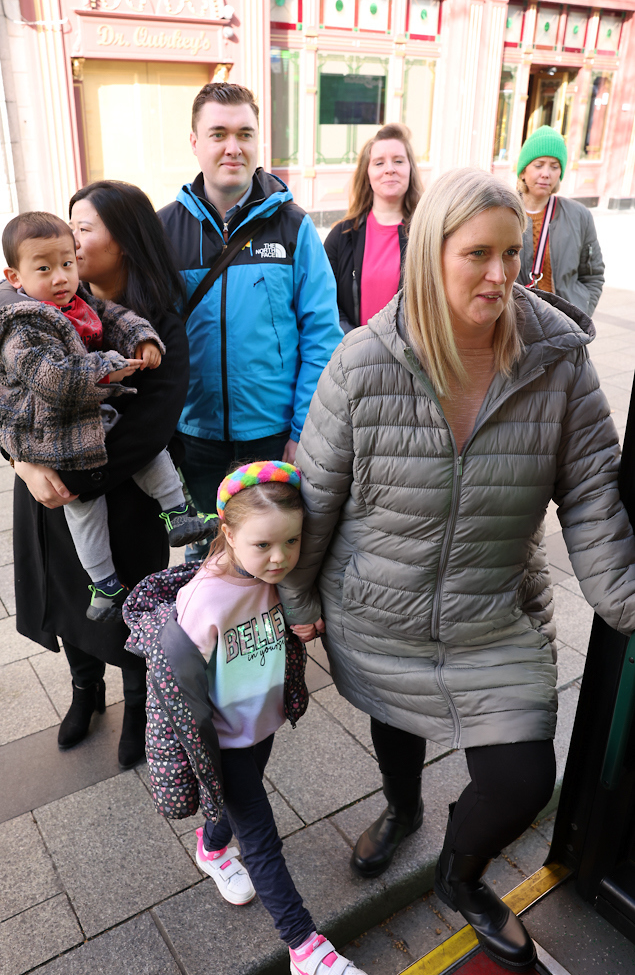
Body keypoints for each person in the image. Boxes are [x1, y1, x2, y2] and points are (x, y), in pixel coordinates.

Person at [278, 167, 635, 971]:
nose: (500, 275)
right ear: (430, 255)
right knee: (395, 725)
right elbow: (318, 495)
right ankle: (401, 809)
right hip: (379, 606)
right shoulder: (364, 361)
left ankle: (459, 875)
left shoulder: (558, 362)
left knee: (520, 776)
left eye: (511, 253)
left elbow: (590, 498)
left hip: (492, 612)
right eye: (477, 254)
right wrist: (298, 598)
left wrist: (626, 603)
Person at [0, 181, 190, 769]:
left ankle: (139, 704)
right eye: (71, 228)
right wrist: (22, 463)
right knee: (69, 601)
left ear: (126, 239)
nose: (74, 244)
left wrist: (70, 477)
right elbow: (9, 399)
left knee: (130, 603)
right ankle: (84, 691)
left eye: (84, 231)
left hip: (111, 489)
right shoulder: (36, 308)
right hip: (48, 485)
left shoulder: (155, 318)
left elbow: (152, 426)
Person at [123, 461, 369, 975]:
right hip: (223, 742)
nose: (280, 559)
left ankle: (212, 847)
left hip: (261, 726)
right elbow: (172, 696)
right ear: (229, 535)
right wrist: (188, 764)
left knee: (241, 804)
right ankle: (306, 949)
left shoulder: (277, 579)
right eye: (263, 546)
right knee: (260, 838)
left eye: (292, 542)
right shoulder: (203, 601)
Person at [0, 211, 208, 621]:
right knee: (85, 514)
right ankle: (104, 584)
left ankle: (177, 513)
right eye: (45, 268)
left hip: (94, 421)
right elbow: (51, 378)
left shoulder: (78, 301)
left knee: (156, 455)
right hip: (54, 434)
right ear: (15, 277)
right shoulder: (22, 323)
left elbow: (115, 316)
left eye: (67, 263)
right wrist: (106, 369)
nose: (61, 276)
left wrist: (143, 337)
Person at [158, 81, 342, 553]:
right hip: (193, 437)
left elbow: (322, 337)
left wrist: (302, 433)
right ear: (195, 142)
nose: (232, 147)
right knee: (205, 556)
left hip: (274, 434)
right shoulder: (162, 232)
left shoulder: (295, 227)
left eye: (244, 133)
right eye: (218, 133)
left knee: (273, 557)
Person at [324, 123, 423, 333]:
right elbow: (325, 302)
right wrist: (357, 344)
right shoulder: (340, 238)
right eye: (379, 163)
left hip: (410, 360)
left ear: (410, 170)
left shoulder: (427, 235)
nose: (390, 169)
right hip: (354, 356)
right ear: (367, 174)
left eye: (398, 161)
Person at [516, 125, 604, 316]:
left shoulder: (579, 216)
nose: (546, 173)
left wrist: (582, 312)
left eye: (554, 167)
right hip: (516, 326)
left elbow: (593, 274)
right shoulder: (503, 213)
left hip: (564, 327)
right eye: (539, 165)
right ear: (523, 171)